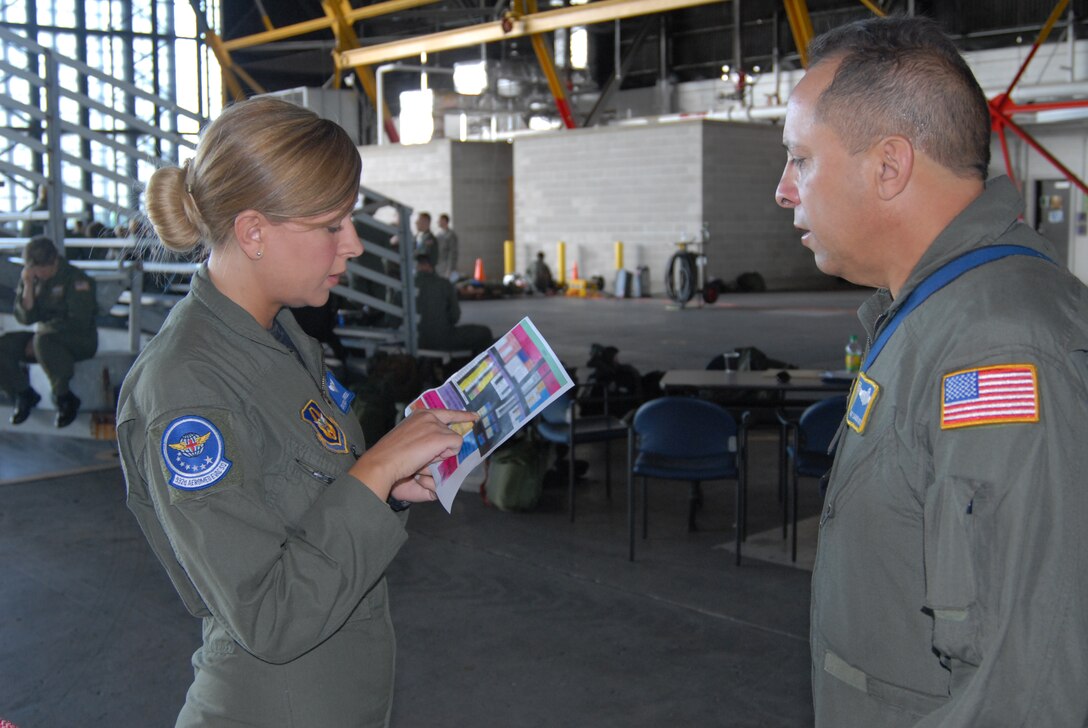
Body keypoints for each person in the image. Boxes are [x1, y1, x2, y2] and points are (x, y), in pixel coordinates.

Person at [115, 97, 476, 727]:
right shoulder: (188, 388)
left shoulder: (279, 338)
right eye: (332, 225)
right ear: (254, 232)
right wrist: (375, 469)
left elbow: (296, 503)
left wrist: (384, 489)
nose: (353, 244)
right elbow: (269, 614)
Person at [774, 16, 1088, 727]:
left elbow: (1027, 694)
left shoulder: (998, 349)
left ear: (889, 167)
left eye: (800, 159)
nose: (785, 190)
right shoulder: (938, 315)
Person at [0, 235, 97, 427]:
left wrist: (43, 333)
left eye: (41, 268)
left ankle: (64, 398)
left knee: (43, 342)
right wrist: (28, 286)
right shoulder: (33, 278)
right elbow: (25, 318)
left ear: (53, 261)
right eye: (34, 269)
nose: (38, 273)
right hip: (45, 337)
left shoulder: (75, 279)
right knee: (4, 345)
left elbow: (79, 320)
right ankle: (23, 393)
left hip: (80, 339)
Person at [414, 251, 493, 355]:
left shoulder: (405, 286)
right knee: (484, 333)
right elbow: (455, 316)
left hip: (416, 340)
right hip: (442, 338)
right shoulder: (444, 284)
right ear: (430, 265)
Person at [434, 212, 459, 280]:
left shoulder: (451, 235)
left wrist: (450, 269)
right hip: (438, 266)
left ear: (444, 221)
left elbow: (453, 253)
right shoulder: (438, 235)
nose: (438, 222)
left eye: (439, 220)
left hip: (446, 268)